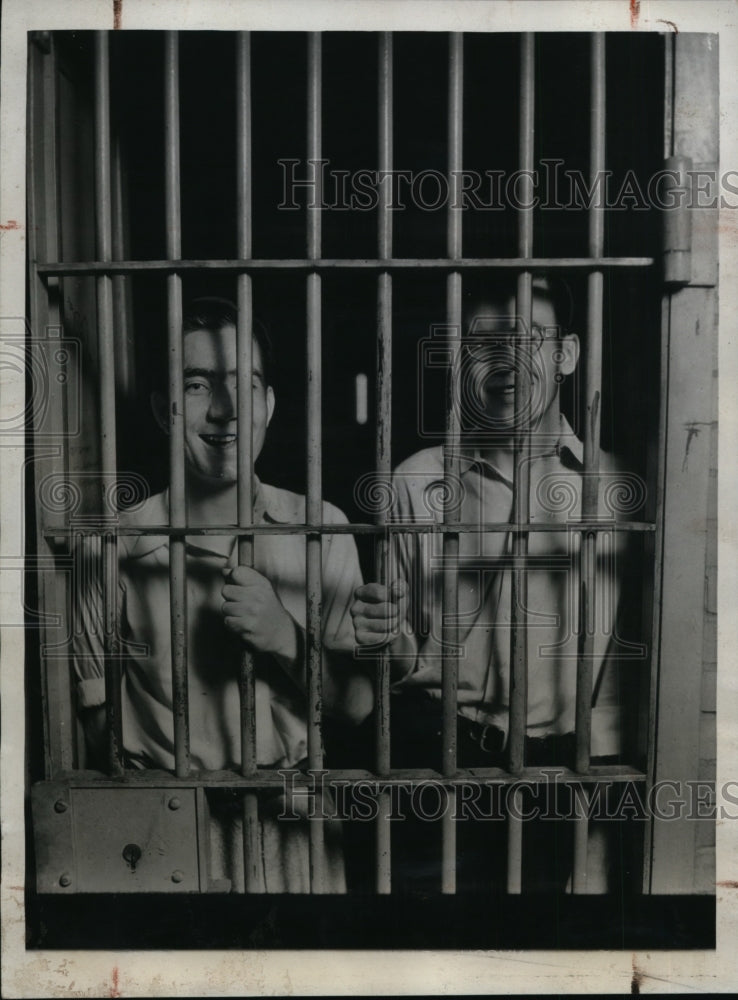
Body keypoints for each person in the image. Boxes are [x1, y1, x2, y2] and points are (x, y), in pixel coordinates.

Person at [351, 275, 641, 894]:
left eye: (525, 339)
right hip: (433, 753)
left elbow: (626, 669)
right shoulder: (413, 482)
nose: (503, 362)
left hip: (563, 770)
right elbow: (397, 657)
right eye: (480, 344)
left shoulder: (618, 491)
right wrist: (381, 640)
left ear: (566, 355)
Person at [73, 297, 373, 893]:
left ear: (267, 405)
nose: (224, 410)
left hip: (297, 811)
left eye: (246, 384)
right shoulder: (110, 549)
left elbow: (361, 705)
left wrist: (287, 639)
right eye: (196, 385)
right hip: (161, 819)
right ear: (163, 410)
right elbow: (95, 728)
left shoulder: (322, 529)